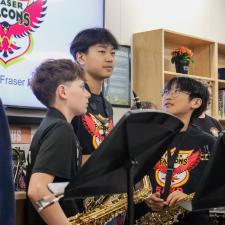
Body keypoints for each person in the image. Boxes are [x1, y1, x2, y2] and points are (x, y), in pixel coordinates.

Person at [134, 76, 216, 225]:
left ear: (196, 102)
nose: (168, 96)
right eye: (166, 91)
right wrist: (143, 195)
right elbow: (131, 177)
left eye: (177, 91)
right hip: (146, 218)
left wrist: (190, 198)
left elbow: (216, 188)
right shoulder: (147, 138)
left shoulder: (209, 142)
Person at [26, 59, 90, 225]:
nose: (88, 94)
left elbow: (54, 187)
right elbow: (37, 191)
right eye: (82, 87)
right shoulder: (61, 130)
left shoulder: (51, 125)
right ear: (63, 92)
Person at [70, 27, 119, 164]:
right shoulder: (71, 99)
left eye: (112, 53)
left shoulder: (108, 107)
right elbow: (66, 155)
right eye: (102, 51)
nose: (110, 59)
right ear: (81, 57)